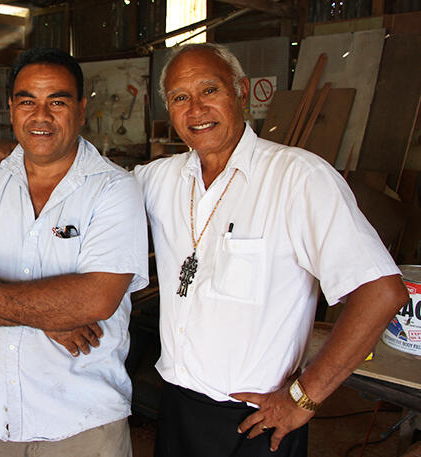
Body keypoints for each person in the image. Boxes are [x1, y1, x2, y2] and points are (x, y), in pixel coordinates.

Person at [133, 43, 409, 456]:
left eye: (209, 90)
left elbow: (381, 291)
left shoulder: (299, 178)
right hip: (176, 405)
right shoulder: (159, 178)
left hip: (257, 421)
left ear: (241, 91)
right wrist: (15, 156)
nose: (195, 110)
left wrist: (304, 397)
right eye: (179, 98)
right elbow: (88, 189)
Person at [0, 47, 148, 457]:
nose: (41, 115)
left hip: (83, 425)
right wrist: (51, 318)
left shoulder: (114, 189)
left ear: (82, 109)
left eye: (58, 101)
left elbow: (96, 299)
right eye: (28, 101)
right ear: (12, 108)